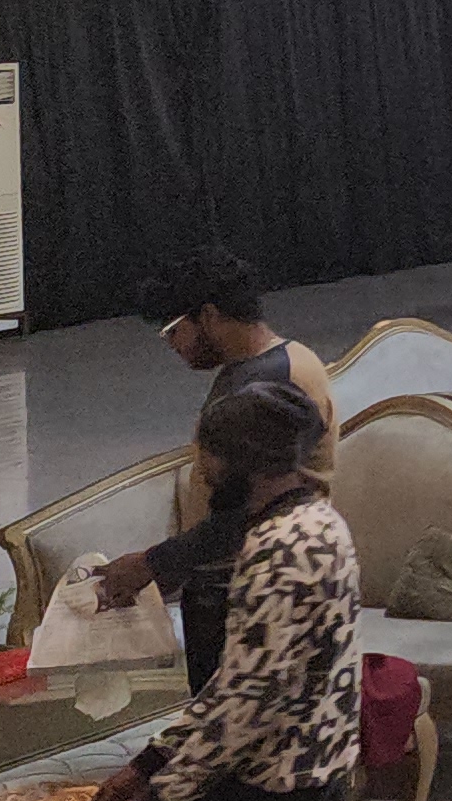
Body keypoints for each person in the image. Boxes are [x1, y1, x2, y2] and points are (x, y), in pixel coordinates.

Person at [96, 382, 386, 801]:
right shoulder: (323, 521)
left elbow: (245, 703)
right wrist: (147, 761)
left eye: (210, 453)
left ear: (245, 462)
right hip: (312, 777)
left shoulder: (277, 549)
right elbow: (244, 684)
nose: (201, 469)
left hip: (265, 790)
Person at [96, 250, 336, 684]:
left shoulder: (268, 383)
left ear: (208, 316)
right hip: (237, 580)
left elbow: (248, 512)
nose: (172, 345)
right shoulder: (271, 365)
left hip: (252, 589)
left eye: (173, 330)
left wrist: (153, 564)